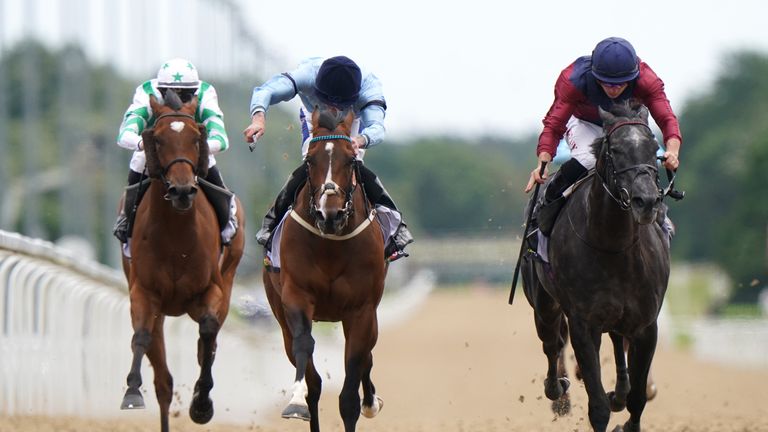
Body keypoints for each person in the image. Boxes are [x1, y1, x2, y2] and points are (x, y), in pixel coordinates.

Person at [243, 56, 414, 262]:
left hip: (353, 122)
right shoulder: (307, 75)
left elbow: (377, 127)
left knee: (353, 163)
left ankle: (396, 230)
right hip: (314, 116)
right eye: (329, 101)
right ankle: (271, 226)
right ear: (317, 88)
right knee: (312, 161)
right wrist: (259, 118)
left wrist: (361, 139)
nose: (334, 109)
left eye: (340, 104)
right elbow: (266, 91)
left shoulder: (369, 88)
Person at [525, 37, 682, 235]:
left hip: (627, 122)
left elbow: (667, 118)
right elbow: (554, 125)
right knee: (589, 159)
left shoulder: (647, 80)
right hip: (585, 123)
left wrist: (673, 152)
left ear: (633, 75)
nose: (613, 88)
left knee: (638, 161)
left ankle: (659, 213)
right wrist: (543, 163)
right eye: (606, 82)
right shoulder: (573, 79)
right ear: (593, 73)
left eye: (621, 83)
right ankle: (546, 204)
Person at [113, 58, 238, 245]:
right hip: (157, 149)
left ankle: (227, 220)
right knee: (137, 166)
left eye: (186, 94)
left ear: (195, 90)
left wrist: (194, 148)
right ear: (160, 90)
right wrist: (145, 144)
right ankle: (126, 220)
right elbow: (124, 134)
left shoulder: (206, 93)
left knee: (215, 179)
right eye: (171, 93)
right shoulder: (147, 92)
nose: (178, 99)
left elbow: (221, 139)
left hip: (192, 150)